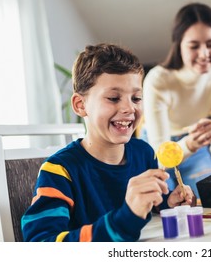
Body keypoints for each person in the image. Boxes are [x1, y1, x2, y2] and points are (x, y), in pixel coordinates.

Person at [21, 43, 193, 242]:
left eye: (136, 98)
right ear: (80, 105)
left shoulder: (144, 153)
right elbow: (40, 244)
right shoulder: (59, 171)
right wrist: (125, 218)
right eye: (113, 98)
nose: (129, 108)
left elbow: (153, 204)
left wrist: (169, 201)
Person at [142, 3, 211, 199]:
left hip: (196, 146)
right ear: (178, 45)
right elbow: (161, 159)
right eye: (194, 46)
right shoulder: (157, 80)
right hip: (159, 149)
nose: (204, 54)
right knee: (163, 202)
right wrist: (189, 144)